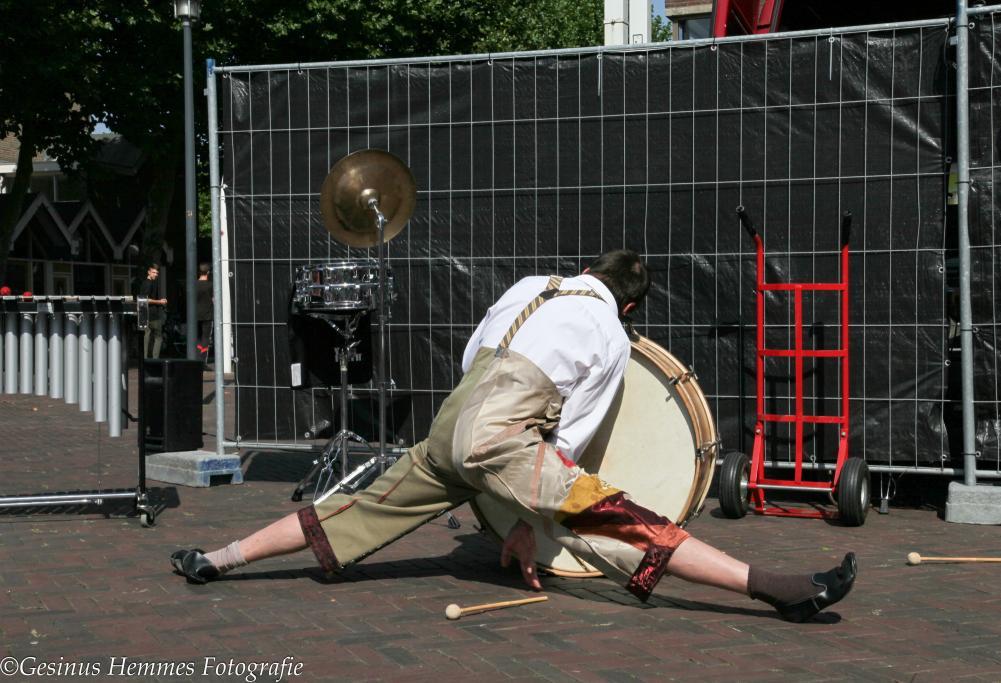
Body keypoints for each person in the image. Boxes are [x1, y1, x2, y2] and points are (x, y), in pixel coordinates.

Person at [171, 250, 856, 623]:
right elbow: (570, 438)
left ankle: (217, 557)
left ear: (589, 271)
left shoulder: (535, 285)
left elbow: (475, 356)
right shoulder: (611, 332)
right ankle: (778, 587)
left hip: (451, 424)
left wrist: (511, 499)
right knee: (627, 521)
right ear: (629, 304)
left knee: (348, 510)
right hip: (500, 441)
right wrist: (535, 508)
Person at [138, 264, 167, 359]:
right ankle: (155, 359)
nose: (156, 275)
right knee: (158, 337)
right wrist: (160, 302)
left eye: (157, 273)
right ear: (149, 272)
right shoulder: (149, 284)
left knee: (147, 336)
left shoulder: (144, 283)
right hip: (152, 314)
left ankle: (145, 358)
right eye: (154, 272)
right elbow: (146, 299)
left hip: (144, 314)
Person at [196, 262, 214, 360]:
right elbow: (214, 300)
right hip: (207, 315)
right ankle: (202, 360)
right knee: (206, 338)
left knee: (198, 337)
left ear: (199, 272)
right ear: (208, 272)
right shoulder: (211, 285)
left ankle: (196, 358)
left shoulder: (193, 284)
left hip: (195, 315)